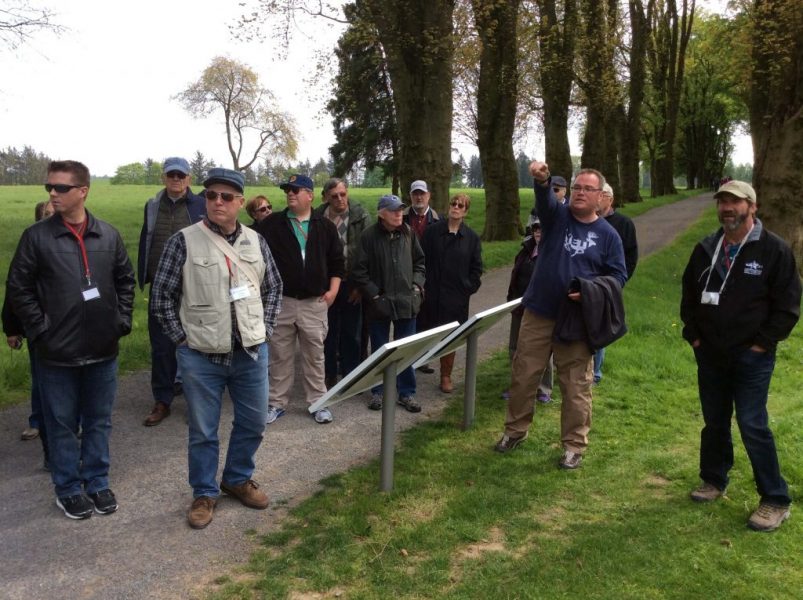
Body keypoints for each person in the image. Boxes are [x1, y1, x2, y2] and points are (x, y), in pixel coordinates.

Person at [151, 167, 282, 529]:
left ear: (241, 202)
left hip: (251, 353)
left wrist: (266, 328)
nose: (217, 202)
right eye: (211, 196)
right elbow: (161, 297)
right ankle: (204, 493)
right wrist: (182, 340)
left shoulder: (256, 242)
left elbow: (273, 288)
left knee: (254, 422)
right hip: (201, 357)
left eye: (226, 197)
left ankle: (237, 478)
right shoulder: (183, 241)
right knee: (203, 431)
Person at [7, 160, 135, 519]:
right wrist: (41, 329)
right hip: (55, 353)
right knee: (60, 424)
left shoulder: (107, 236)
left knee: (98, 421)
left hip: (102, 349)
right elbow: (18, 288)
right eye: (50, 187)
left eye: (61, 188)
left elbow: (125, 280)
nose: (52, 193)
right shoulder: (37, 237)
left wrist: (120, 321)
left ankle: (96, 481)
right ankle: (67, 488)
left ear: (83, 191)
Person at [680, 180, 800, 532]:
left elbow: (788, 307)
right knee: (714, 420)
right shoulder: (706, 248)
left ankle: (775, 499)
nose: (727, 208)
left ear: (752, 207)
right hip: (711, 355)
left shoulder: (774, 250)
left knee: (751, 423)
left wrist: (761, 345)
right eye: (722, 202)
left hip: (752, 357)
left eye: (735, 202)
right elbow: (689, 296)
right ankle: (714, 479)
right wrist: (695, 337)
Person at [494, 161, 627, 471]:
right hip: (539, 311)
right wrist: (541, 181)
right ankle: (515, 431)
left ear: (601, 196)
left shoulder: (609, 236)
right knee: (524, 374)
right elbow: (545, 201)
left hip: (577, 320)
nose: (580, 192)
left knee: (576, 385)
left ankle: (573, 446)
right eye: (576, 187)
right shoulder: (557, 218)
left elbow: (618, 276)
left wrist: (591, 291)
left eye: (587, 189)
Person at [256, 174, 344, 425]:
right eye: (288, 191)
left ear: (310, 195)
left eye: (296, 190)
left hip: (314, 303)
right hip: (282, 302)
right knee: (279, 355)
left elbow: (338, 263)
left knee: (315, 355)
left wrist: (333, 291)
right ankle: (276, 403)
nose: (290, 194)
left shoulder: (325, 226)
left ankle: (318, 402)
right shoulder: (273, 224)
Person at [138, 157, 205, 427]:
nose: (176, 179)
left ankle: (196, 401)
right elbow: (146, 237)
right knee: (161, 347)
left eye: (181, 175)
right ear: (164, 178)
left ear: (189, 178)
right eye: (171, 175)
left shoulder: (201, 205)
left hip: (194, 287)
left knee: (196, 344)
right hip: (160, 286)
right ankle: (162, 400)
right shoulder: (153, 205)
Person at [353, 194, 426, 411]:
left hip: (407, 301)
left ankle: (406, 393)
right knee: (379, 350)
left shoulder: (409, 234)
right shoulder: (368, 236)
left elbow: (420, 263)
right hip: (379, 304)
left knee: (406, 349)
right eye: (394, 210)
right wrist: (375, 295)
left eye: (401, 209)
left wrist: (416, 287)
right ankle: (378, 391)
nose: (399, 214)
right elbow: (359, 271)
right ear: (381, 214)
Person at [420, 193, 482, 393]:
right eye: (453, 204)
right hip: (430, 295)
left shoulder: (471, 238)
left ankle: (445, 375)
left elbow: (477, 268)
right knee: (424, 333)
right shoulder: (432, 232)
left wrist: (467, 288)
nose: (456, 207)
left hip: (456, 299)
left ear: (466, 211)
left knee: (451, 338)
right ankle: (414, 368)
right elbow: (420, 260)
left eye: (461, 205)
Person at [314, 178, 369, 388]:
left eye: (342, 194)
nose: (339, 199)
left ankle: (351, 374)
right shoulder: (318, 215)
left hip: (351, 282)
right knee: (327, 331)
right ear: (327, 197)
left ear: (347, 193)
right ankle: (329, 374)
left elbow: (367, 253)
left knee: (352, 331)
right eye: (334, 196)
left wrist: (359, 286)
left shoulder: (359, 215)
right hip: (326, 283)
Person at [9, 200, 54, 443]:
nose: (50, 217)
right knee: (40, 378)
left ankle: (74, 422)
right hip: (38, 324)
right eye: (45, 214)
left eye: (53, 213)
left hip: (71, 324)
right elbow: (14, 289)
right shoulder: (30, 244)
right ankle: (37, 421)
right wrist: (12, 328)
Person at [503, 210, 553, 404]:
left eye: (542, 228)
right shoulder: (525, 250)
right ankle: (517, 386)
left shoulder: (553, 253)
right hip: (520, 306)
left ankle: (543, 389)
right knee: (515, 348)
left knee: (543, 350)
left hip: (542, 309)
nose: (539, 231)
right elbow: (515, 276)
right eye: (536, 228)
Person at [592, 183, 639, 383]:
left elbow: (631, 256)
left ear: (610, 199)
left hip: (607, 285)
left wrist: (618, 282)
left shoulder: (623, 223)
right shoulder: (586, 221)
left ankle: (595, 372)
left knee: (599, 327)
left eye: (600, 195)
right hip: (585, 282)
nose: (597, 198)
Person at [404, 179, 440, 373]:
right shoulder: (402, 218)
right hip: (406, 274)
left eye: (422, 194)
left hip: (430, 275)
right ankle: (406, 358)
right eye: (415, 194)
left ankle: (423, 357)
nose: (419, 197)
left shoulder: (437, 220)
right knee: (408, 316)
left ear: (428, 196)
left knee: (427, 317)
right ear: (410, 196)